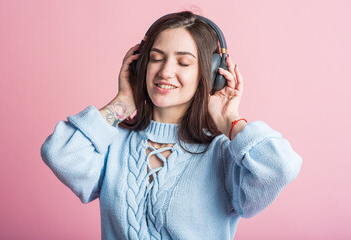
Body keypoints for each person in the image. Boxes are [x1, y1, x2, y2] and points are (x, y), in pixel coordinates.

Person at [41, 11, 302, 240]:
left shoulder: (223, 153)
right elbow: (59, 153)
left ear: (211, 74)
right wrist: (121, 103)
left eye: (183, 62)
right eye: (155, 58)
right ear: (140, 66)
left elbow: (280, 166)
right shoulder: (113, 142)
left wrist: (228, 120)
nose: (165, 71)